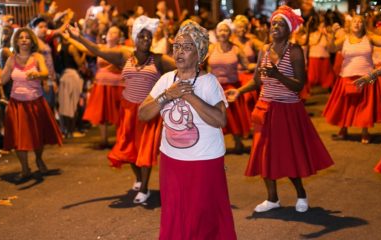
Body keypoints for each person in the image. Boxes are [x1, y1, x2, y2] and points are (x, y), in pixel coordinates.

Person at [226, 6, 334, 213]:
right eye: (274, 23)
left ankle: (301, 193)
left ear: (289, 29)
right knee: (264, 154)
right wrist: (239, 91)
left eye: (281, 24)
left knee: (289, 154)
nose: (275, 26)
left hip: (287, 110)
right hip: (265, 108)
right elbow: (258, 80)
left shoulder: (294, 51)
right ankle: (272, 198)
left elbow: (298, 85)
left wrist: (277, 75)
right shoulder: (264, 50)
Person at [139, 20, 236, 239]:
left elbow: (220, 119)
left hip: (205, 161)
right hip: (172, 160)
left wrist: (189, 96)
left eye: (187, 47)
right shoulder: (166, 80)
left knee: (204, 216)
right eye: (177, 46)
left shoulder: (208, 82)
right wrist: (167, 95)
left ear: (200, 53)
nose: (179, 52)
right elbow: (143, 114)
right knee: (174, 213)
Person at [68, 16, 175, 203]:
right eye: (141, 36)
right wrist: (79, 38)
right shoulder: (124, 55)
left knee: (145, 149)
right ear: (134, 37)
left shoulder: (159, 60)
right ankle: (140, 178)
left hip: (148, 111)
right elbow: (98, 50)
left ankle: (144, 188)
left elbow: (182, 70)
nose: (145, 40)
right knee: (129, 148)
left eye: (149, 37)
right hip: (127, 109)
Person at [0, 28, 63, 181]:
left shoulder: (37, 57)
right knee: (20, 138)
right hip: (17, 104)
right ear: (17, 41)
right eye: (21, 37)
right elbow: (0, 80)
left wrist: (37, 74)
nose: (24, 40)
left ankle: (39, 158)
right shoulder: (11, 60)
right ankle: (25, 169)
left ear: (32, 41)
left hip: (36, 103)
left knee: (37, 136)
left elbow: (46, 73)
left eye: (27, 37)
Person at [323, 15, 381, 144]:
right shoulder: (344, 38)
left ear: (364, 25)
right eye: (354, 21)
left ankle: (365, 132)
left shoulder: (370, 37)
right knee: (345, 105)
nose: (357, 24)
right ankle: (343, 129)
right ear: (350, 25)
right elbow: (331, 48)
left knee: (365, 106)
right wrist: (331, 35)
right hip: (346, 75)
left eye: (360, 22)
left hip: (367, 77)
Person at [208, 18, 254, 153]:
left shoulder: (236, 49)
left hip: (232, 87)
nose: (223, 32)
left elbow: (247, 65)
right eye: (220, 30)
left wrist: (261, 65)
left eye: (226, 30)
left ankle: (238, 141)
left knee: (233, 117)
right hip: (215, 87)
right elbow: (201, 64)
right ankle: (216, 145)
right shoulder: (211, 48)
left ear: (230, 33)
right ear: (217, 33)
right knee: (215, 117)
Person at [80, 26, 125, 149]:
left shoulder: (123, 49)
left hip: (118, 85)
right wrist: (74, 37)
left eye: (115, 31)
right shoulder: (101, 47)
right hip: (101, 84)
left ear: (119, 36)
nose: (111, 33)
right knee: (102, 113)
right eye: (110, 31)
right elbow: (84, 48)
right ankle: (103, 140)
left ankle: (120, 140)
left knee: (119, 114)